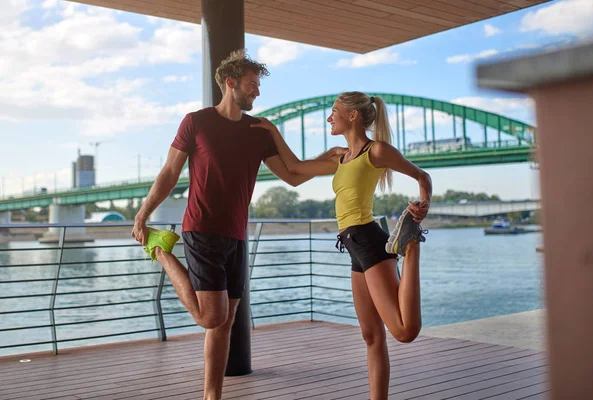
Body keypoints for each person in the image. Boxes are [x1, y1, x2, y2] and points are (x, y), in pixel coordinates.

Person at [131, 49, 344, 400]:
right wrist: (143, 215)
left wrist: (336, 159)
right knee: (211, 318)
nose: (257, 92)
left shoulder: (258, 132)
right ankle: (161, 251)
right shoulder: (196, 122)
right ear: (230, 84)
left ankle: (211, 395)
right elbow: (170, 172)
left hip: (236, 234)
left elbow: (293, 175)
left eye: (258, 86)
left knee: (225, 321)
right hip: (201, 228)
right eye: (252, 85)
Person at [251, 91, 432, 400]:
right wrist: (269, 135)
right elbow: (293, 172)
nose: (329, 117)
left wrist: (424, 203)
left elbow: (421, 174)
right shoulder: (338, 156)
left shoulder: (376, 151)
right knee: (372, 336)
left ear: (353, 116)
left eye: (334, 111)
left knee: (404, 331)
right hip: (353, 245)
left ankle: (411, 244)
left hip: (369, 240)